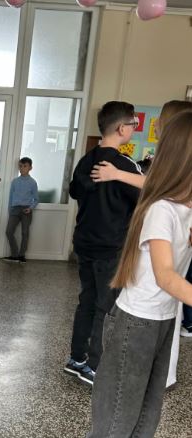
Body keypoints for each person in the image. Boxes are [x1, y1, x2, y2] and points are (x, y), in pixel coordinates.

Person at [53, 110, 192, 438]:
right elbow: (166, 275)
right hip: (135, 323)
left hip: (164, 321)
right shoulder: (161, 211)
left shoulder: (184, 206)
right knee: (118, 415)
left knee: (147, 414)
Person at [91, 100, 192, 387]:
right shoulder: (162, 208)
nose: (151, 127)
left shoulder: (169, 203)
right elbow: (165, 276)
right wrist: (116, 174)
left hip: (157, 304)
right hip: (143, 306)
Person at [64, 102, 142, 386]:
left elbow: (75, 191)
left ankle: (76, 359)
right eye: (133, 125)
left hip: (84, 242)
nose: (133, 129)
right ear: (122, 128)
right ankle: (94, 366)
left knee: (87, 299)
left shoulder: (86, 160)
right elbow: (149, 193)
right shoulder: (124, 165)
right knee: (105, 306)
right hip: (110, 246)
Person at [4, 157, 38, 263]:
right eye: (20, 166)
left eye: (25, 166)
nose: (22, 168)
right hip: (15, 209)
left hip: (26, 210)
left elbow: (36, 199)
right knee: (9, 231)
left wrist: (30, 208)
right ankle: (14, 254)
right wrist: (10, 210)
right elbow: (11, 197)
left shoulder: (33, 183)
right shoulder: (15, 182)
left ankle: (22, 255)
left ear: (30, 168)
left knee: (25, 232)